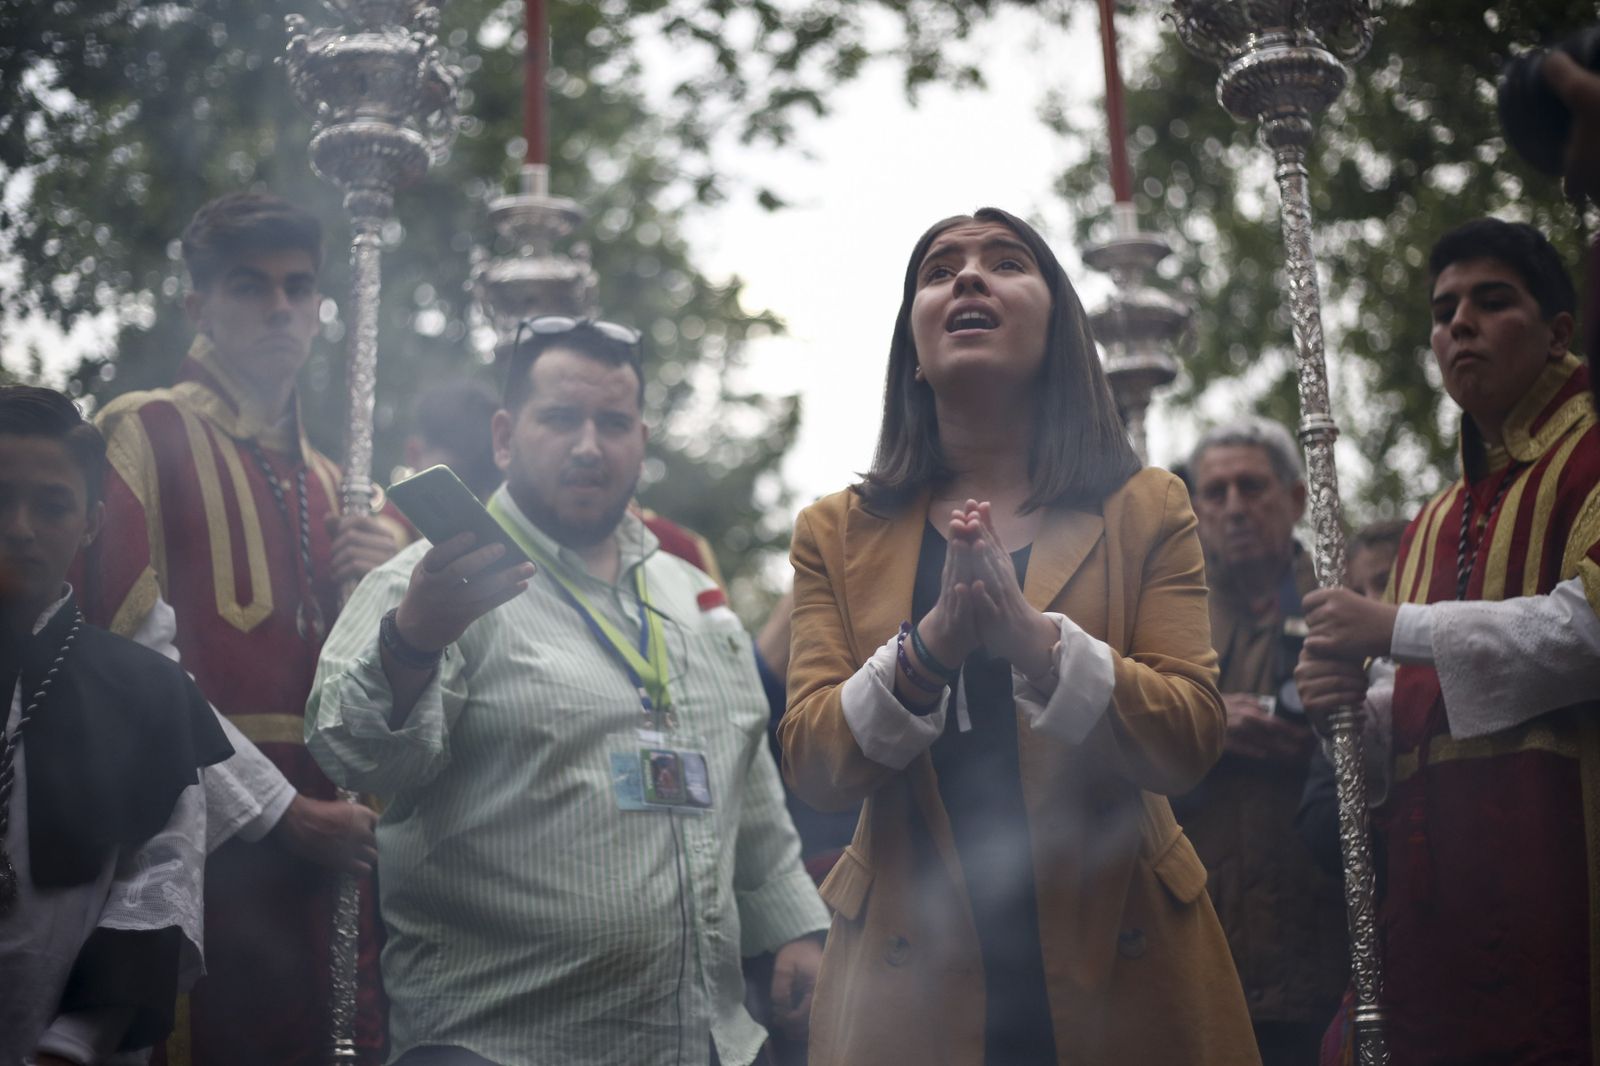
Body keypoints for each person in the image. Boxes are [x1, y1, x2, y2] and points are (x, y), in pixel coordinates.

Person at [779, 207, 1256, 1064]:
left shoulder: (1147, 506)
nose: (967, 277)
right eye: (938, 270)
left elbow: (1188, 740)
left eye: (1006, 262)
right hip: (908, 981)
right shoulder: (834, 532)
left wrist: (1035, 642)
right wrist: (929, 652)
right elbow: (813, 768)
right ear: (913, 357)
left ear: (1059, 334)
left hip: (1123, 965)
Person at [306, 316, 829, 1066]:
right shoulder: (428, 581)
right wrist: (413, 638)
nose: (589, 446)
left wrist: (795, 929)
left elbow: (747, 784)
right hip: (497, 1048)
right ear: (503, 437)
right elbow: (350, 750)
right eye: (559, 419)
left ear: (642, 441)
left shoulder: (695, 595)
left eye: (613, 422)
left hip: (709, 1044)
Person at [79, 191, 404, 1065]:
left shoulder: (343, 484)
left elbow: (382, 695)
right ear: (198, 307)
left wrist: (385, 588)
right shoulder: (142, 430)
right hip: (196, 848)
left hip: (336, 865)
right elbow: (127, 659)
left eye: (299, 289)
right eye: (250, 287)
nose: (280, 310)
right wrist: (279, 811)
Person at [1296, 218, 1600, 1063]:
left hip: (1567, 878)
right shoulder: (1433, 517)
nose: (1458, 322)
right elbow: (1429, 695)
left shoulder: (1592, 456)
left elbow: (1592, 629)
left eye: (1491, 301)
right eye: (1443, 310)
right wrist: (1358, 707)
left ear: (1560, 333)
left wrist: (1391, 627)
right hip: (1442, 899)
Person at [0, 386, 232, 1064]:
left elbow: (160, 888)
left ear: (94, 522)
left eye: (51, 505)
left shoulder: (149, 693)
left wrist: (74, 1041)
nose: (19, 527)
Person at [1172, 417, 1348, 1064]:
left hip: (1327, 948)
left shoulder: (1342, 598)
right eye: (1215, 493)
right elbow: (1114, 751)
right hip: (1202, 954)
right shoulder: (1166, 624)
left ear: (1297, 499)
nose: (1234, 508)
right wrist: (1206, 726)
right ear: (1193, 508)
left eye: (1252, 487)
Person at [1294, 519, 1408, 880]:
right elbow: (1320, 826)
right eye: (1357, 593)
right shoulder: (1354, 686)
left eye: (1384, 581)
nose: (1370, 603)